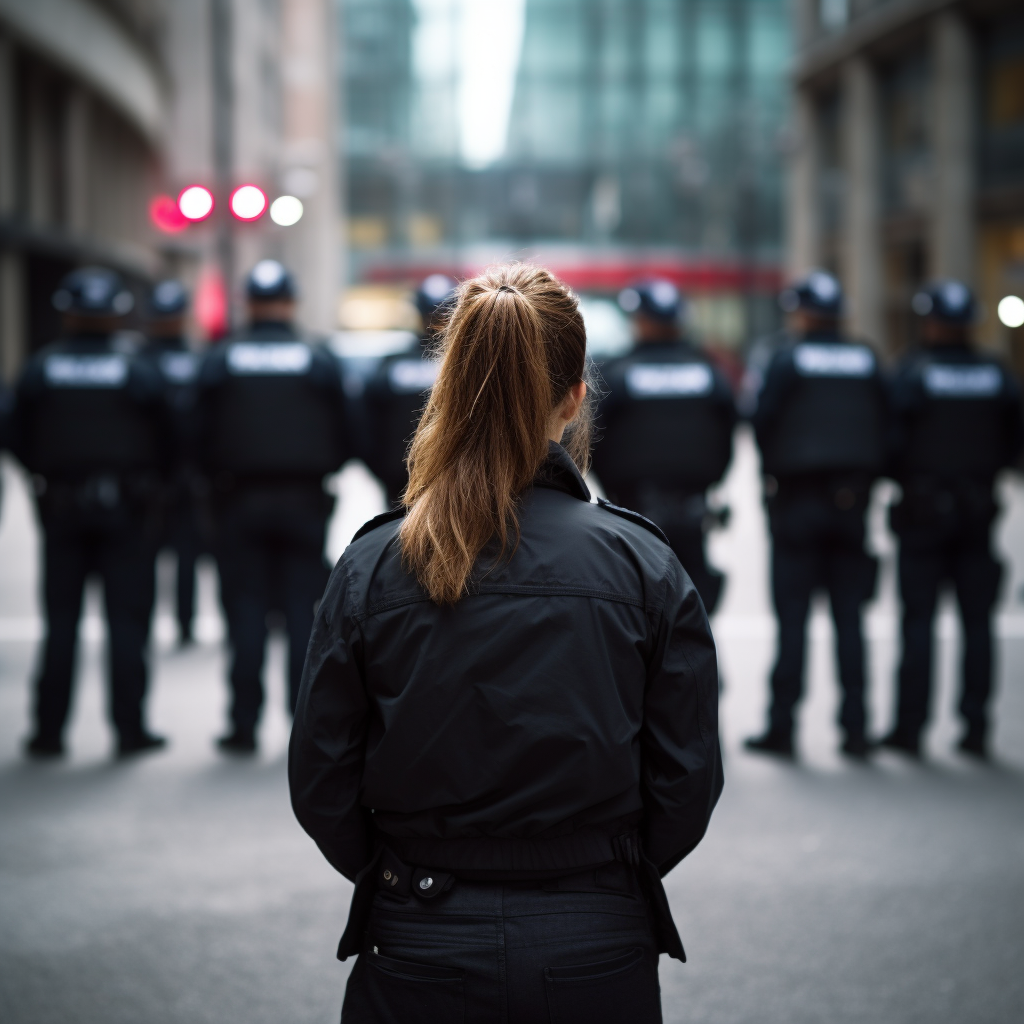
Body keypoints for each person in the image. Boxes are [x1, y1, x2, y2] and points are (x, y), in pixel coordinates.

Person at [289, 264, 723, 1023]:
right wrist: (608, 877)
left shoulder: (374, 563)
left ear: (447, 387)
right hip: (597, 933)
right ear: (576, 395)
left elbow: (322, 777)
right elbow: (686, 779)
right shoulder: (644, 563)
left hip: (421, 928)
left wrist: (399, 874)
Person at [11, 267, 170, 758]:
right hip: (126, 511)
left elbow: (14, 435)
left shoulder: (41, 369)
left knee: (61, 623)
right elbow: (172, 437)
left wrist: (46, 473)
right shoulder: (138, 371)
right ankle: (129, 729)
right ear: (117, 315)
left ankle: (48, 732)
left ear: (68, 314)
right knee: (126, 623)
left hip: (60, 508)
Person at [196, 260, 350, 754]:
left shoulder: (221, 359)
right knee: (304, 617)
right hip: (304, 500)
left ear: (249, 303)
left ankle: (243, 724)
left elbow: (189, 431)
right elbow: (351, 430)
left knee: (245, 613)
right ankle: (301, 724)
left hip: (238, 499)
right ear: (290, 303)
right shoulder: (317, 359)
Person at [745, 271, 886, 760]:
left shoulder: (787, 359)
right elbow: (888, 427)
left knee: (794, 623)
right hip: (852, 507)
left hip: (798, 505)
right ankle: (857, 730)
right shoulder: (866, 358)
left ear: (803, 312)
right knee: (851, 621)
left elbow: (761, 422)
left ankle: (783, 728)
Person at [880, 281, 1024, 760]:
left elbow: (891, 443)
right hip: (979, 513)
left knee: (918, 623)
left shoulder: (914, 372)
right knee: (977, 624)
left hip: (923, 515)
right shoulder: (995, 373)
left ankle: (910, 727)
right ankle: (976, 727)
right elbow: (1014, 443)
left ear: (932, 321)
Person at [592, 280, 736, 614]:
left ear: (642, 321)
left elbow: (592, 439)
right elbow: (728, 434)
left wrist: (613, 492)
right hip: (694, 511)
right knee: (694, 612)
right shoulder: (709, 372)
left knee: (635, 612)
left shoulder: (618, 374)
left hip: (634, 513)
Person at [363, 274, 457, 505]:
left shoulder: (391, 366)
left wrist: (386, 472)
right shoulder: (472, 365)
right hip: (457, 487)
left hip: (401, 487)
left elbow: (364, 429)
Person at [145, 279, 204, 644]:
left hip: (175, 474)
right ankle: (163, 621)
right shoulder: (199, 360)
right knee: (152, 556)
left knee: (183, 555)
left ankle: (184, 622)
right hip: (161, 474)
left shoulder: (138, 359)